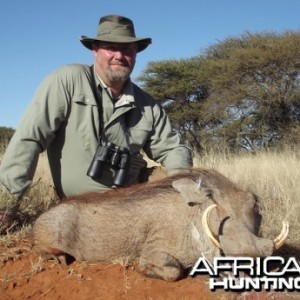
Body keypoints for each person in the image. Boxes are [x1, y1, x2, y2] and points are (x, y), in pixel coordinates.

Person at [0, 15, 193, 232]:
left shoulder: (147, 103)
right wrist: (6, 206)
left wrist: (182, 183)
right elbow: (29, 139)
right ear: (95, 49)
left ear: (136, 54)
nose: (119, 56)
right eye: (111, 47)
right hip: (82, 208)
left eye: (128, 49)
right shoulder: (66, 80)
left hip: (134, 198)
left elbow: (173, 148)